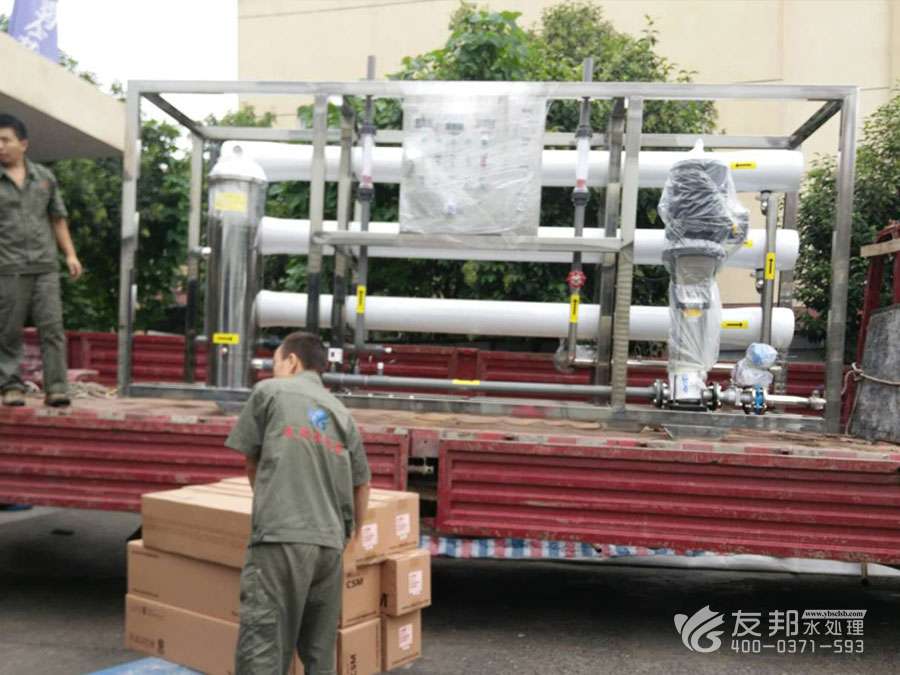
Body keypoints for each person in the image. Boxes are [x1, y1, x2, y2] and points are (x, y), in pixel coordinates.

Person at [225, 331, 371, 675]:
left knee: (263, 647)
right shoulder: (341, 413)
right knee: (319, 652)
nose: (273, 370)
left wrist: (272, 504)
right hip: (329, 547)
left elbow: (251, 461)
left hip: (281, 539)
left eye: (275, 363)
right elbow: (362, 484)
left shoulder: (270, 391)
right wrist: (353, 538)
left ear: (291, 361)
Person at [0, 113, 82, 407]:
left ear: (23, 144)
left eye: (5, 140)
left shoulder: (44, 178)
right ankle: (11, 386)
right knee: (7, 331)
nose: (0, 146)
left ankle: (57, 388)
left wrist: (70, 255)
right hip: (7, 267)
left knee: (53, 328)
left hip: (45, 266)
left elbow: (58, 218)